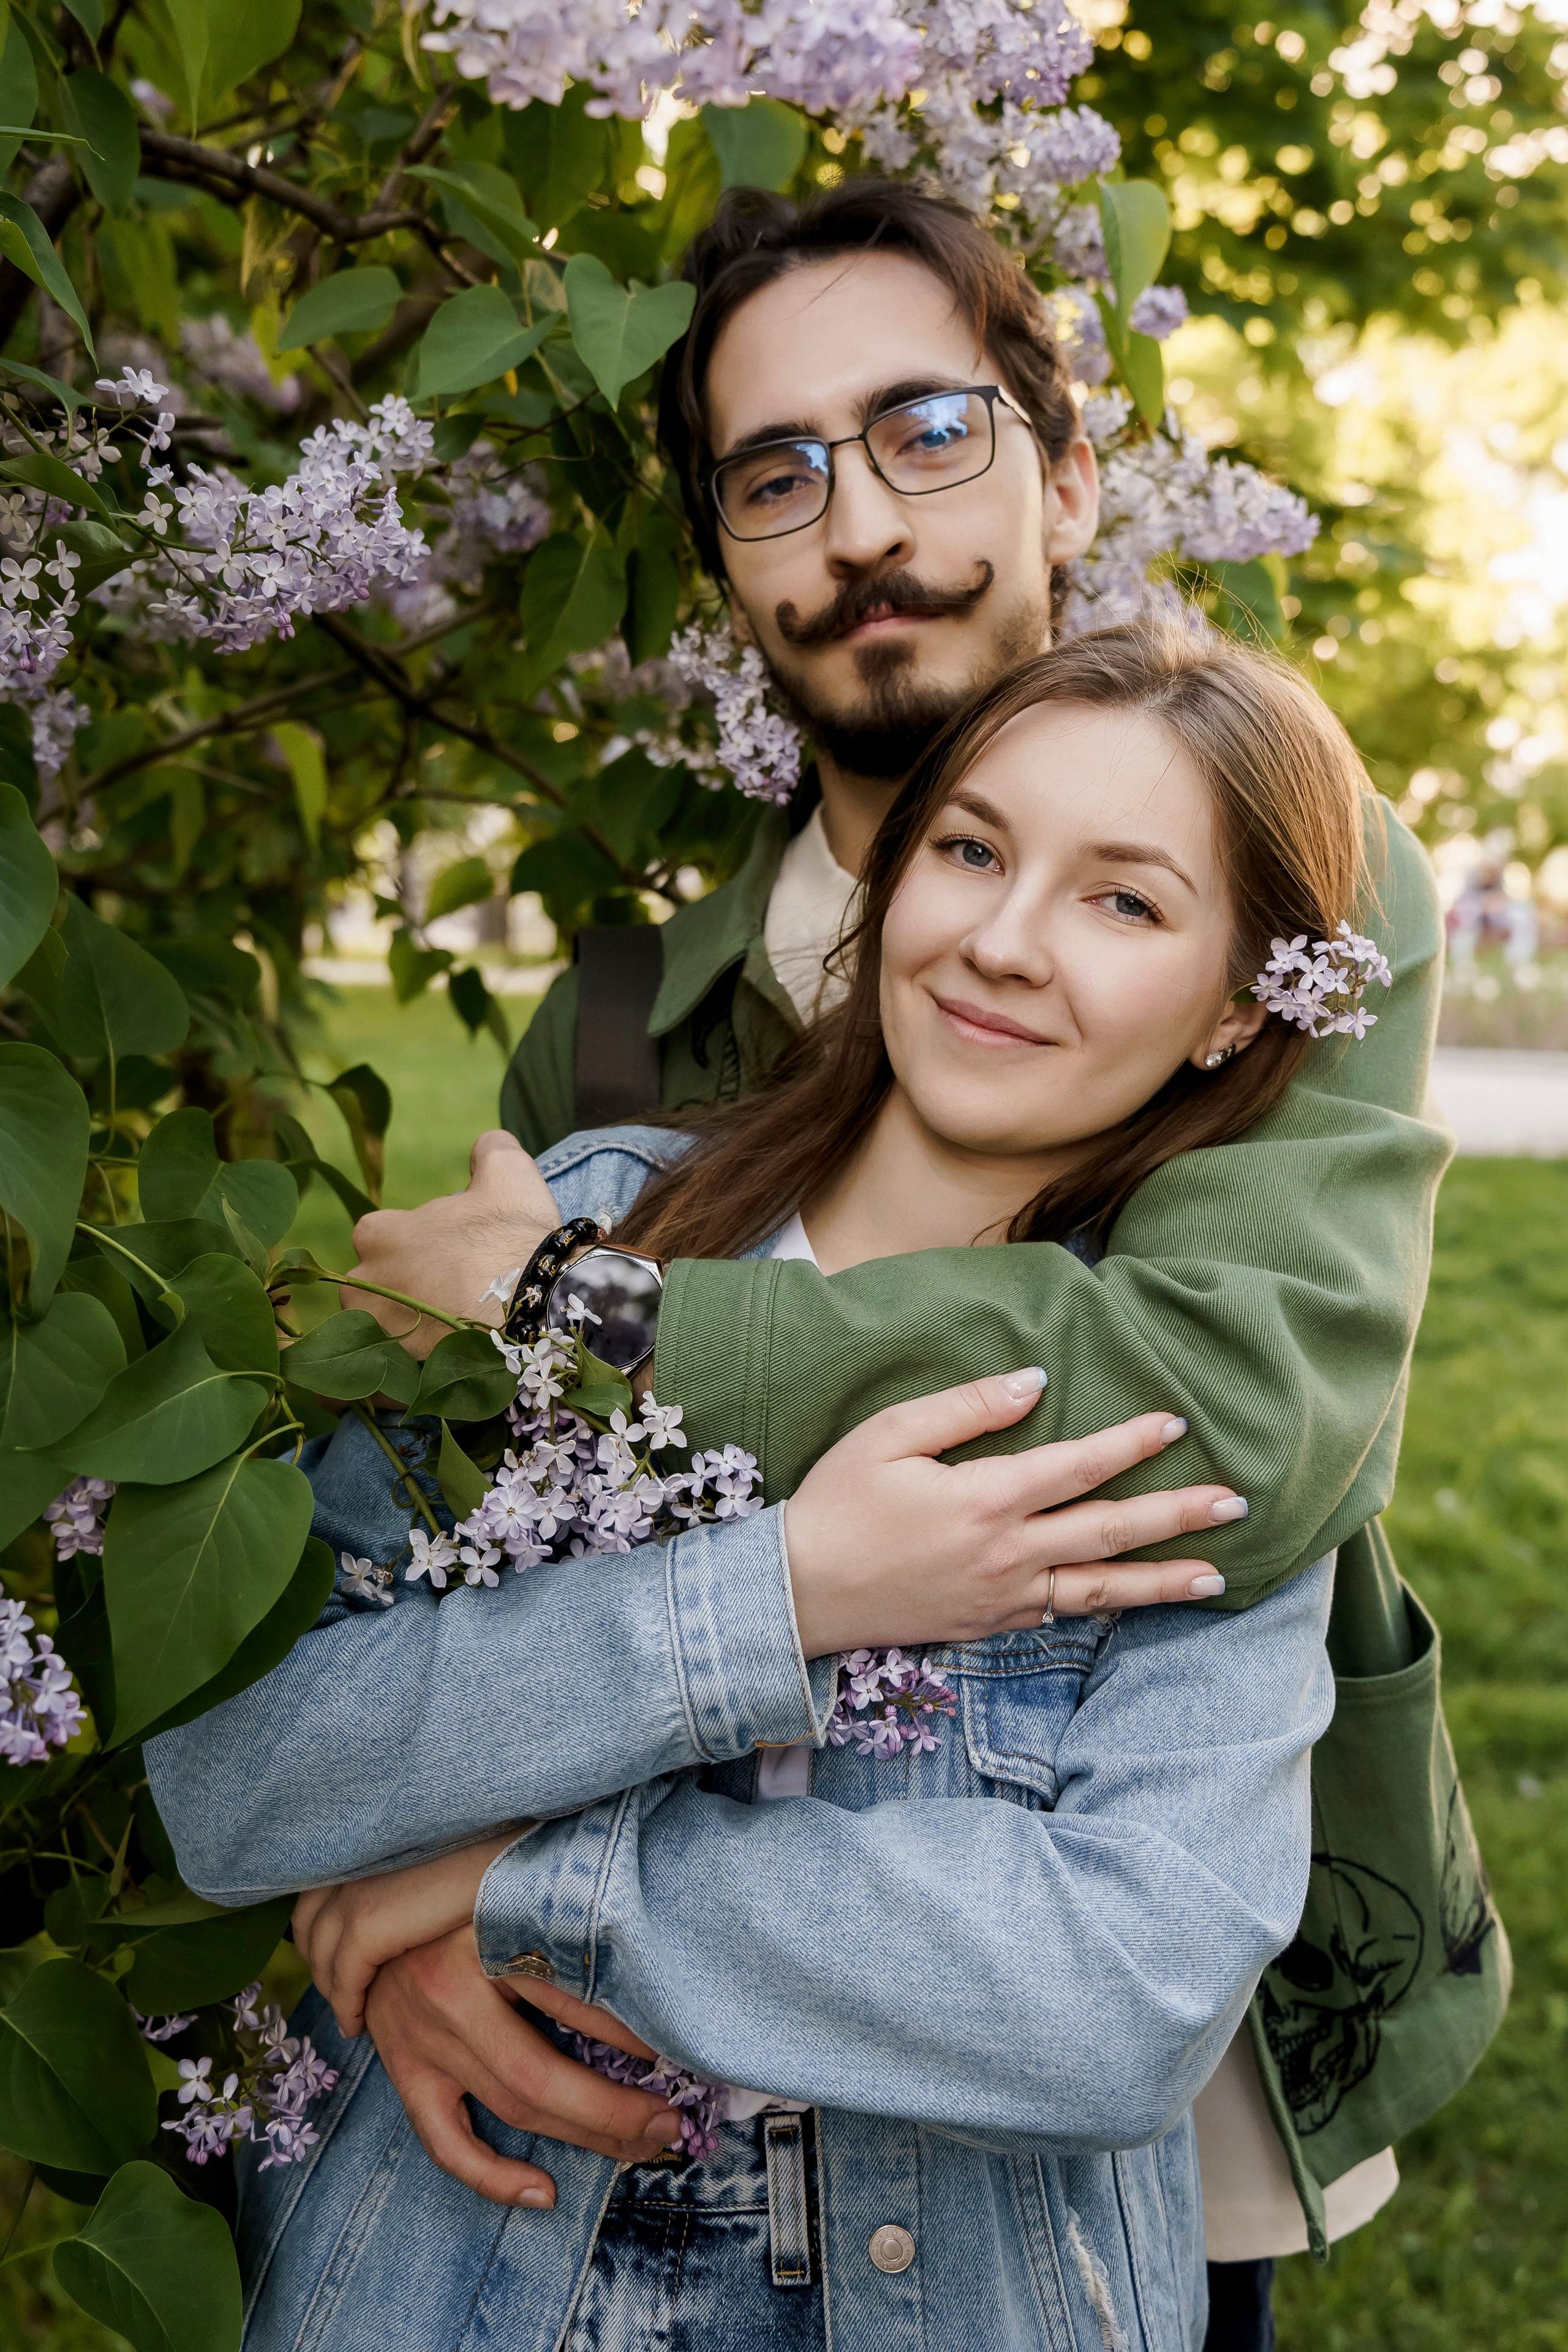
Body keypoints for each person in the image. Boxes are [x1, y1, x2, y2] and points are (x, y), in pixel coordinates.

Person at [337, 178, 1503, 2335]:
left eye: (926, 431)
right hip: (614, 2114)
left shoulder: (1300, 886)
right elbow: (447, 1568)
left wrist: (594, 1313)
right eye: (774, 475)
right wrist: (392, 1925)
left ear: (1068, 467)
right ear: (724, 562)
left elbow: (1224, 1410)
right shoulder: (621, 1015)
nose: (860, 522)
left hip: (1089, 2063)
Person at [156, 627, 1442, 2351]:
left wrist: (533, 1885)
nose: (1000, 939)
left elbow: (1114, 1998)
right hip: (462, 2276)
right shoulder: (588, 1227)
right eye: (973, 850)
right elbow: (240, 1769)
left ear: (1235, 1006)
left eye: (1123, 903)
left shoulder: (1202, 1408)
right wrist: (780, 1594)